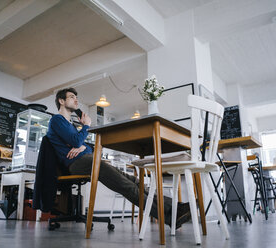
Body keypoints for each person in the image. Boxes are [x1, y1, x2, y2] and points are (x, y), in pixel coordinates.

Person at [46, 87, 191, 228]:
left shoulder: (69, 125)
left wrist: (83, 146)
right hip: (76, 164)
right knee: (125, 185)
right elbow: (77, 141)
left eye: (77, 97)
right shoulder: (57, 120)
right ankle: (168, 215)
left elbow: (88, 147)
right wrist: (86, 126)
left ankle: (173, 207)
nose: (76, 100)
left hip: (87, 159)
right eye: (72, 97)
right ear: (61, 101)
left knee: (133, 180)